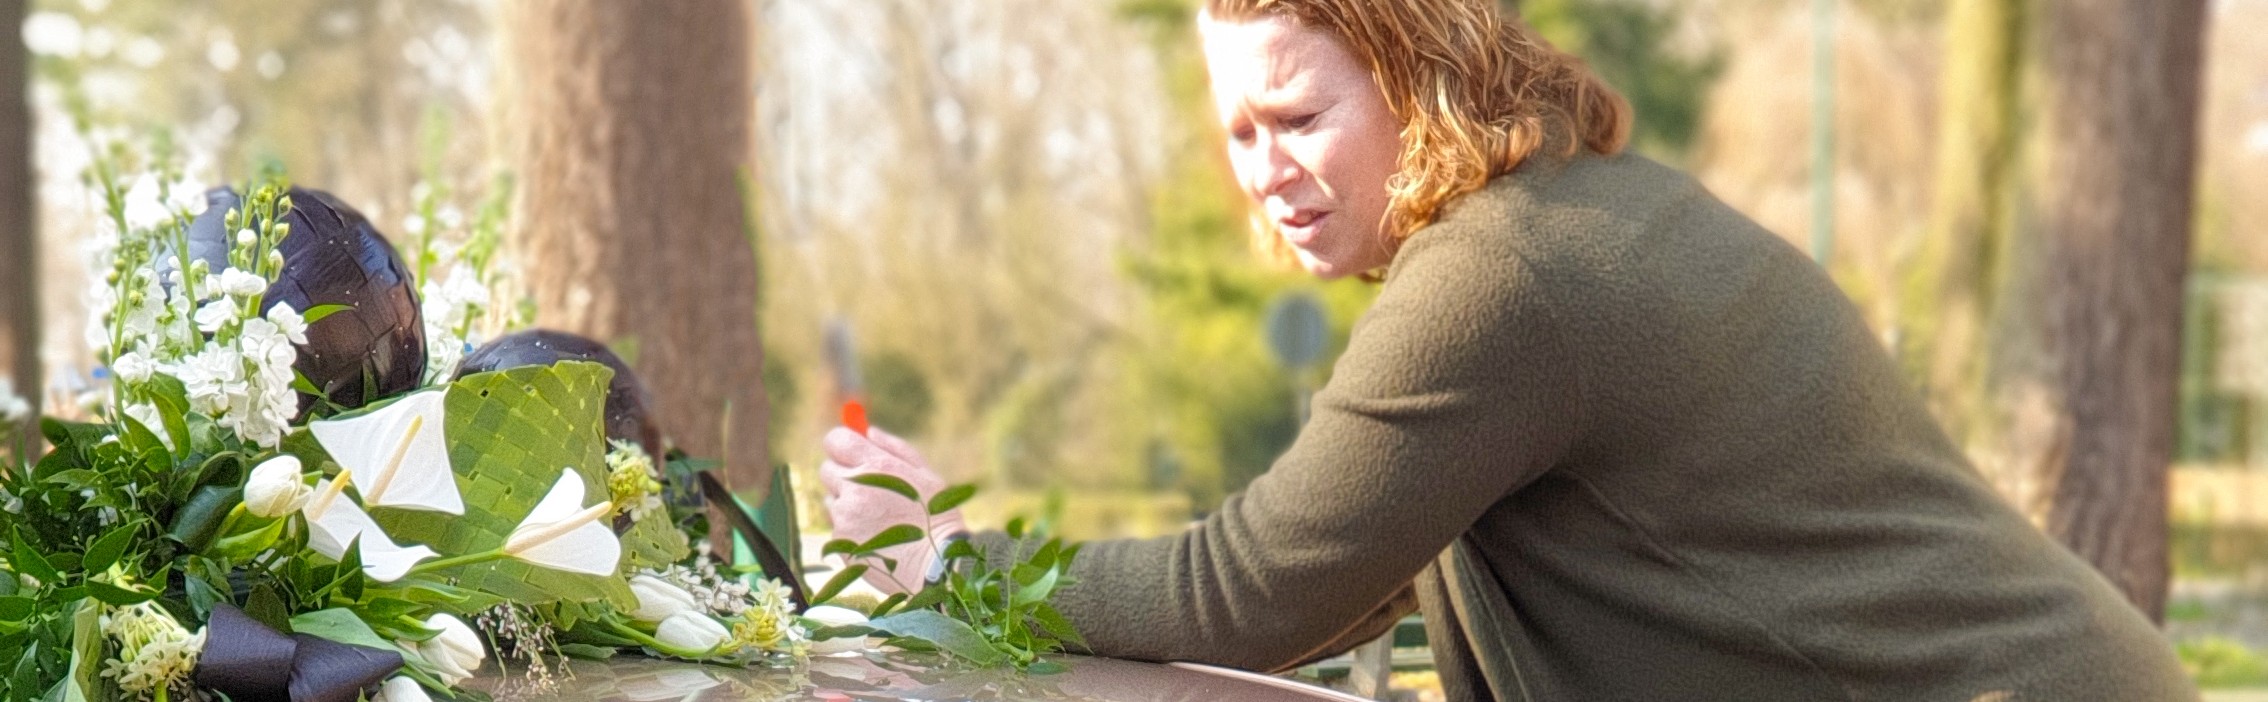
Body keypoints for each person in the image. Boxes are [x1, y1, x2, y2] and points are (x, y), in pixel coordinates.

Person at [819, 0, 2197, 699]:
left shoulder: (1501, 277)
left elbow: (1252, 589)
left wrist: (945, 559)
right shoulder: (1561, 219)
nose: (1266, 170)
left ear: (1423, 72)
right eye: (1239, 133)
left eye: (1296, 116)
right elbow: (1348, 570)